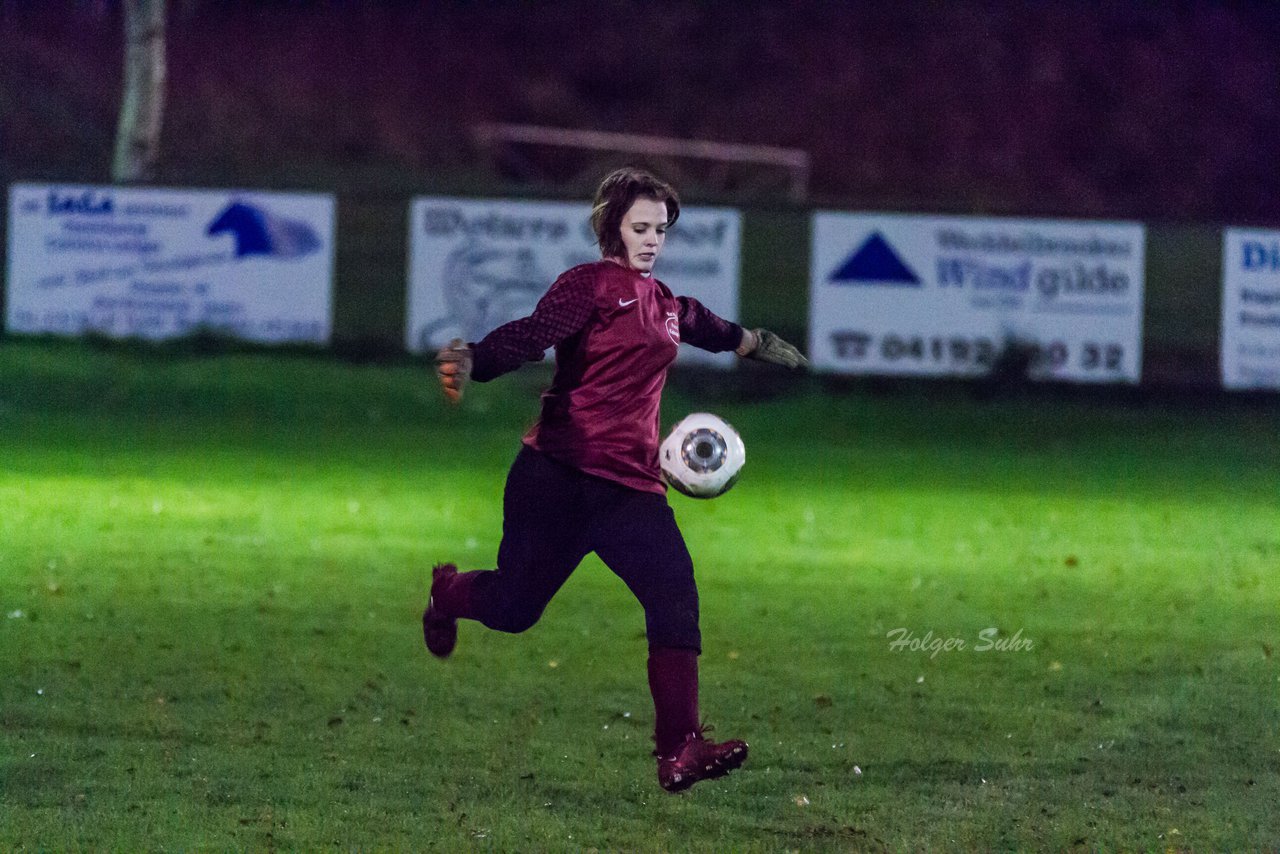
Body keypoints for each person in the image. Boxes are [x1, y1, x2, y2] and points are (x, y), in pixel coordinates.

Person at [424, 167, 807, 793]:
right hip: (557, 477)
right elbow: (533, 333)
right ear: (613, 227)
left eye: (660, 229)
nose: (652, 239)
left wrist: (754, 342)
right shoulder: (591, 286)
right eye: (640, 228)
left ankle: (679, 749)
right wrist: (473, 357)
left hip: (630, 488)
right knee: (515, 609)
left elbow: (702, 324)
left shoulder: (664, 305)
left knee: (675, 591)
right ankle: (447, 593)